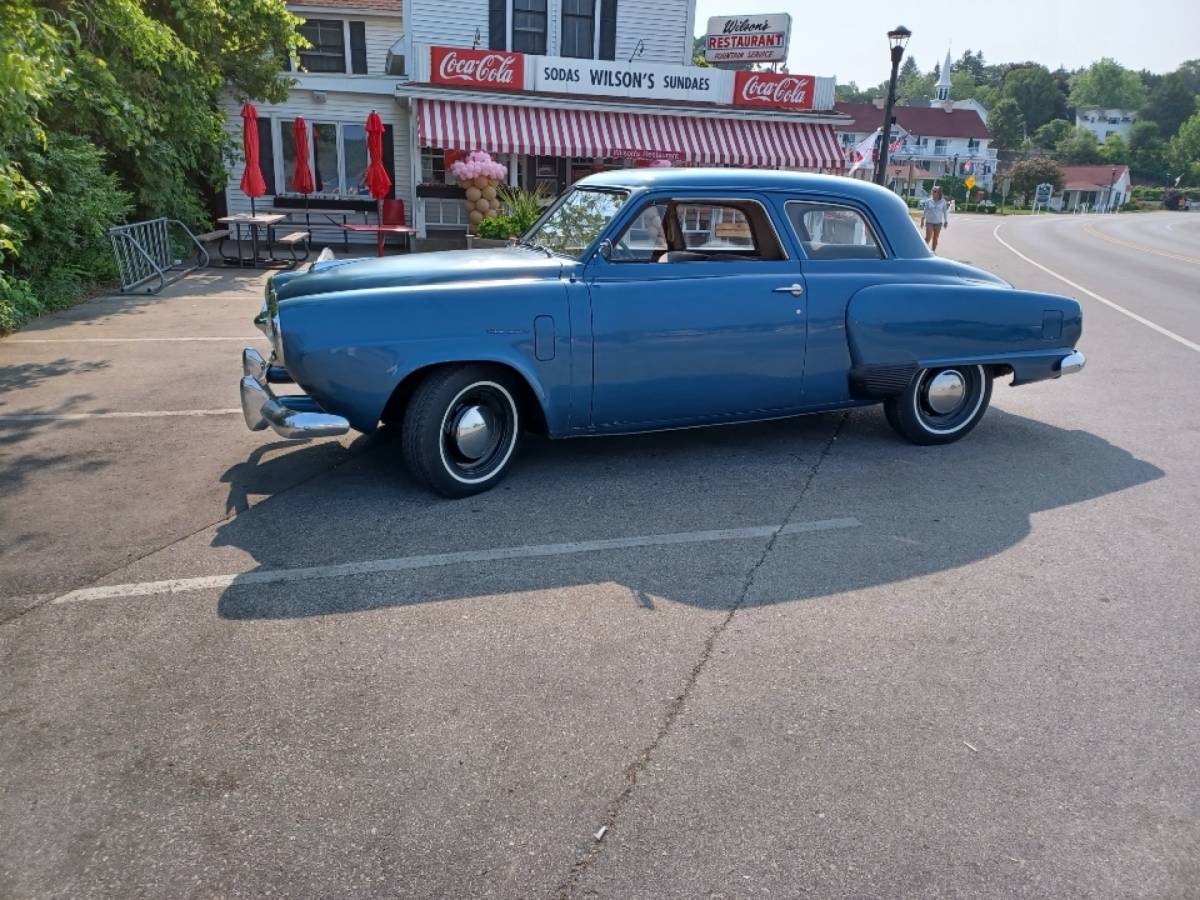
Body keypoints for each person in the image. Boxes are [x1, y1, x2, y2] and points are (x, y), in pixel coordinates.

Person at [921, 186, 950, 252]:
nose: (932, 192)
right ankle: (922, 251)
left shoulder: (943, 201)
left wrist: (946, 221)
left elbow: (945, 212)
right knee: (928, 237)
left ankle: (933, 252)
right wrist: (922, 220)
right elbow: (925, 211)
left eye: (934, 191)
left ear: (939, 193)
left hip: (938, 223)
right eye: (932, 191)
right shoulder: (928, 201)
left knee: (935, 238)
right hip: (929, 222)